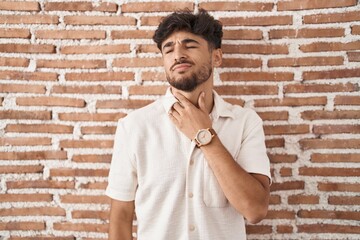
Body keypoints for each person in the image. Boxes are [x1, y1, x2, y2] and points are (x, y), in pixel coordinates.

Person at [106, 9, 271, 240]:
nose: (178, 54)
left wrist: (205, 135)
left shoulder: (245, 123)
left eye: (190, 45)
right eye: (168, 48)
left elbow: (255, 210)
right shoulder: (134, 127)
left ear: (216, 57)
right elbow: (121, 216)